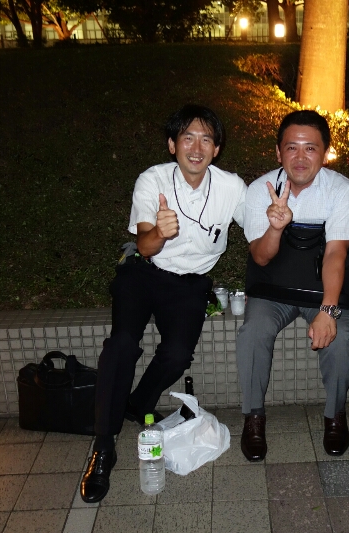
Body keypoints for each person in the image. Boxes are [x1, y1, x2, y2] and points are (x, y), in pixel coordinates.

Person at [80, 104, 246, 503]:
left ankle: (137, 403)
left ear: (216, 148)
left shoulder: (231, 188)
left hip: (190, 283)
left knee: (177, 355)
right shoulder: (152, 180)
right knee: (121, 345)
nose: (196, 147)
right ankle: (103, 447)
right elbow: (144, 244)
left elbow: (257, 228)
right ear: (173, 145)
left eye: (206, 139)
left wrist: (275, 220)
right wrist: (160, 231)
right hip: (144, 271)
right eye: (187, 137)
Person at [236, 110, 349, 461]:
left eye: (311, 148)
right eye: (292, 147)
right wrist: (275, 227)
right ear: (279, 152)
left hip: (323, 289)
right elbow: (260, 258)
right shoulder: (260, 190)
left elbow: (336, 254)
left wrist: (328, 310)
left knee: (339, 342)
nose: (301, 157)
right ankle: (253, 416)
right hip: (272, 289)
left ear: (325, 153)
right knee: (253, 332)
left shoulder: (340, 189)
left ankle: (335, 414)